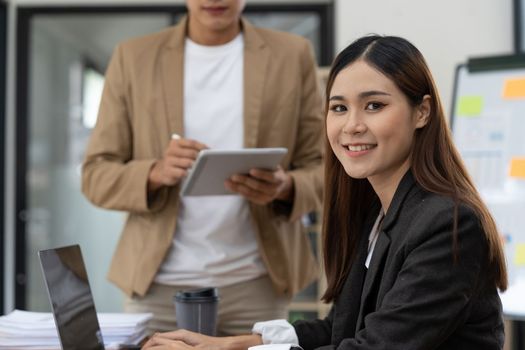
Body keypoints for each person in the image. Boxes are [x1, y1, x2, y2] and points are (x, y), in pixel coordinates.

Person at [142, 35, 508, 350]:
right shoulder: (376, 213)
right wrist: (230, 342)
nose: (352, 125)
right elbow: (340, 328)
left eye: (374, 105)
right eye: (339, 108)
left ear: (422, 112)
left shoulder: (447, 223)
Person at [81, 0, 323, 335]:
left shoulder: (292, 54)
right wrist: (154, 173)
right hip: (158, 287)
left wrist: (286, 186)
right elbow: (95, 175)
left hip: (258, 282)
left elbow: (324, 167)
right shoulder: (133, 57)